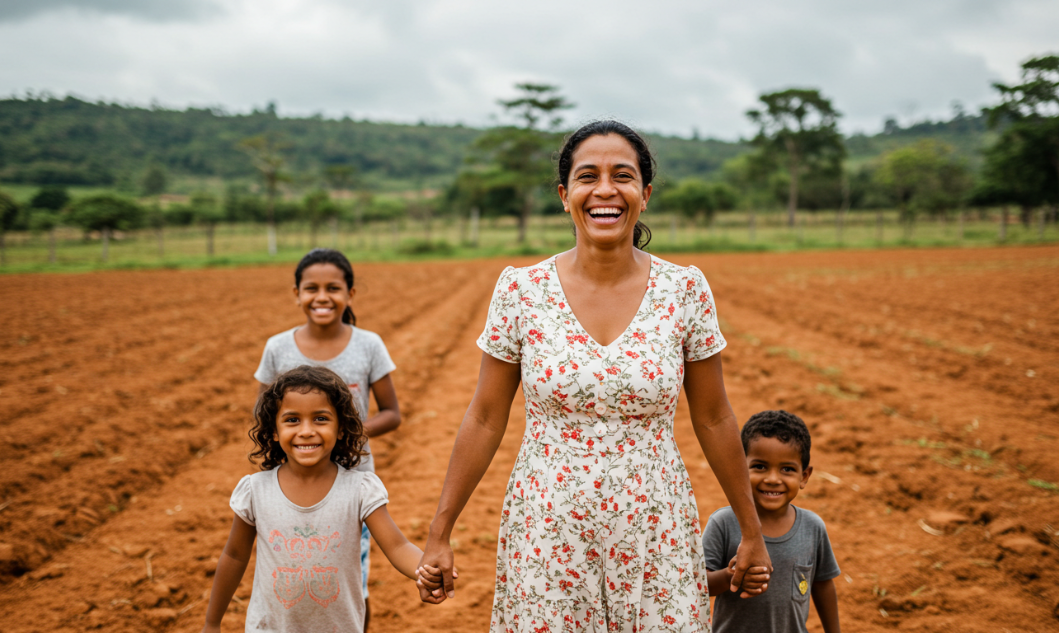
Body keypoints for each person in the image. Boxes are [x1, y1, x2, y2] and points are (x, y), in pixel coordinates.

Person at [418, 120, 771, 631]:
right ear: (566, 196)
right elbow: (485, 417)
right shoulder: (522, 290)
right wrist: (440, 531)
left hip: (656, 526)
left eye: (622, 176)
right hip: (548, 528)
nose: (605, 190)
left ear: (644, 194)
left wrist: (751, 530)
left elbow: (715, 419)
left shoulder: (684, 289)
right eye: (588, 176)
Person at [200, 366, 439, 633]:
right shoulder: (256, 490)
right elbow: (234, 556)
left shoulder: (359, 489)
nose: (306, 431)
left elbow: (397, 546)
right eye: (292, 420)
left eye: (320, 419)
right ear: (274, 430)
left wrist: (426, 571)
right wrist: (212, 622)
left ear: (340, 429)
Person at [254, 248, 401, 630]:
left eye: (333, 287)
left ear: (350, 294)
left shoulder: (368, 345)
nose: (322, 297)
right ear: (296, 293)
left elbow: (392, 413)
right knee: (294, 573)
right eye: (311, 288)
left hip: (349, 484)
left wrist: (342, 434)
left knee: (353, 582)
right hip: (292, 486)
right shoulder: (277, 347)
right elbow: (263, 414)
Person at [702, 410, 841, 633]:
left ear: (804, 476)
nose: (773, 479)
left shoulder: (813, 527)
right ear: (739, 469)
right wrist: (731, 576)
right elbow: (699, 585)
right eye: (760, 466)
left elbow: (822, 584)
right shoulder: (723, 523)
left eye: (787, 469)